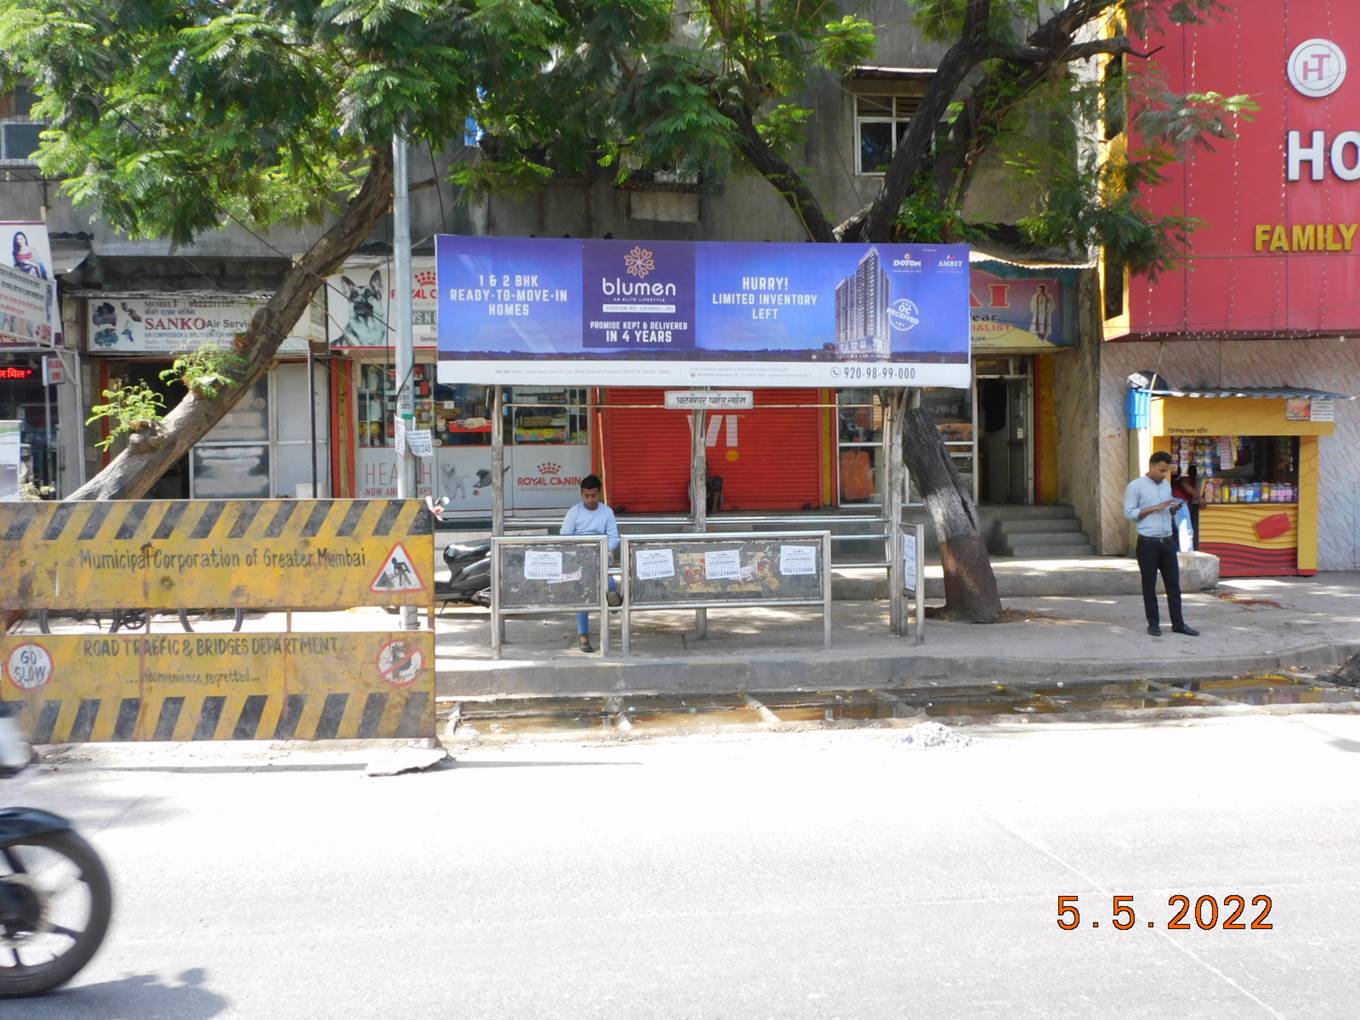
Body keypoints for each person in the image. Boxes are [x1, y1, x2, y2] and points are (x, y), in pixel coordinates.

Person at [1124, 451, 1199, 637]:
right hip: (1148, 543)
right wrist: (1154, 508)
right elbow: (1129, 513)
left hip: (1167, 541)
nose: (1163, 475)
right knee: (1149, 585)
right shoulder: (1135, 486)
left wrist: (1172, 509)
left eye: (1166, 471)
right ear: (1151, 466)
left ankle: (1178, 624)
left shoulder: (1166, 485)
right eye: (1161, 470)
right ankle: (1154, 624)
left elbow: (1166, 509)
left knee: (1174, 585)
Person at [560, 474, 621, 652]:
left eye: (593, 495)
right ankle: (584, 638)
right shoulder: (574, 512)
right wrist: (581, 551)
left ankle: (612, 598)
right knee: (583, 595)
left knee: (607, 582)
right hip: (579, 560)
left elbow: (613, 539)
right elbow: (565, 535)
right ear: (581, 494)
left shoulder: (606, 512)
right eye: (586, 496)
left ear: (599, 494)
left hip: (601, 557)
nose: (590, 499)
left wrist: (599, 549)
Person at [1171, 465, 1201, 551]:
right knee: (1185, 529)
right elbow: (1185, 484)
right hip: (1179, 500)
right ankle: (1187, 557)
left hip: (1178, 500)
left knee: (1178, 530)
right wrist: (1199, 498)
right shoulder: (1185, 466)